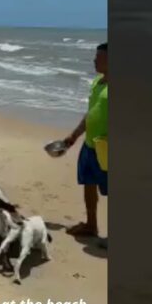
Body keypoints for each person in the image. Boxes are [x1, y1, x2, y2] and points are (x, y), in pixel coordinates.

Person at [61, 42, 108, 241]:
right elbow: (91, 113)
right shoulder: (97, 82)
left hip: (107, 148)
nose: (95, 60)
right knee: (88, 183)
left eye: (100, 57)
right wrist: (74, 135)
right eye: (96, 56)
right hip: (90, 145)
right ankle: (91, 225)